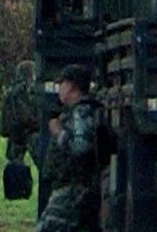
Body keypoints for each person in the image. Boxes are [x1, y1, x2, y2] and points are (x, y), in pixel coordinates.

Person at [38, 63, 103, 232]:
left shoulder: (81, 112)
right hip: (71, 188)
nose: (59, 88)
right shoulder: (75, 111)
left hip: (73, 189)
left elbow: (80, 147)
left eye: (62, 84)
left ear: (73, 86)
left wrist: (59, 132)